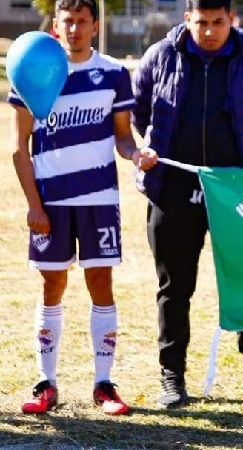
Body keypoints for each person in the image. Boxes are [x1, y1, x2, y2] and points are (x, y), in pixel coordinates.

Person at [132, 0, 243, 409]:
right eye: (202, 23)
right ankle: (172, 376)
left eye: (219, 22)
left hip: (239, 190)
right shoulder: (160, 56)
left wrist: (241, 160)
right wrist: (148, 148)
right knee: (174, 287)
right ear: (188, 19)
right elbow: (139, 110)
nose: (210, 31)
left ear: (231, 20)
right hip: (173, 188)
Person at [9, 0, 158, 415]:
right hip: (51, 204)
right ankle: (46, 383)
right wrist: (33, 206)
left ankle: (104, 384)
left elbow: (123, 138)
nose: (74, 28)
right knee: (51, 286)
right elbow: (19, 148)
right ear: (56, 26)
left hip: (99, 200)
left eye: (82, 21)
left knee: (100, 285)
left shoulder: (113, 72)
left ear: (95, 24)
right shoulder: (32, 67)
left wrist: (138, 153)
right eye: (67, 21)